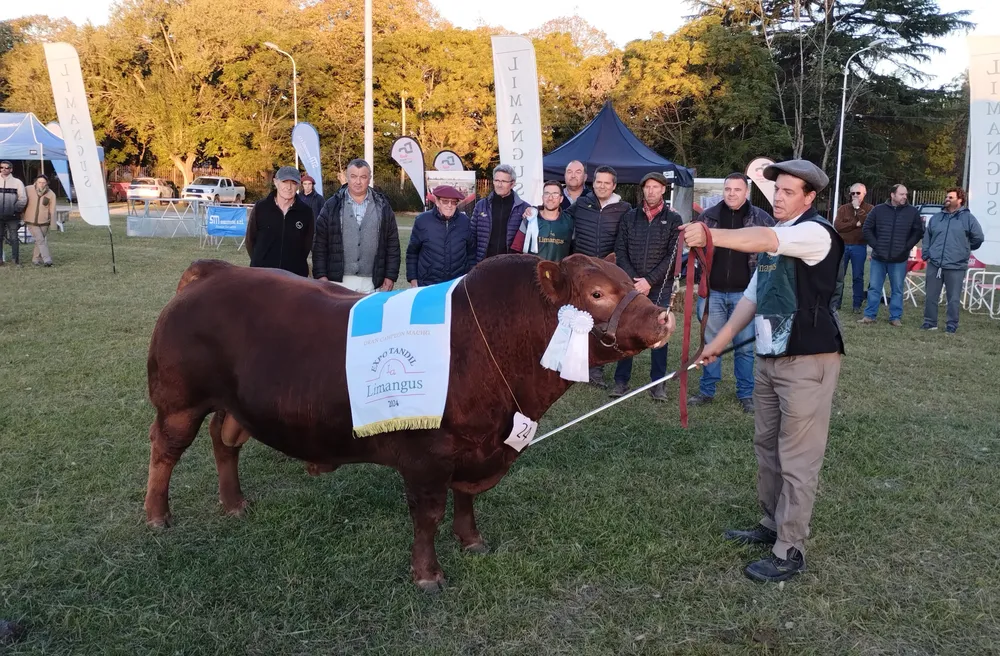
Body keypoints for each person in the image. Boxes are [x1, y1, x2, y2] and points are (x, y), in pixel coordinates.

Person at [681, 159, 844, 584]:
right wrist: (718, 342)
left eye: (790, 192)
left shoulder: (813, 233)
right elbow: (753, 298)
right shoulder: (781, 240)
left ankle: (790, 549)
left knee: (798, 457)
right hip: (771, 358)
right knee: (766, 446)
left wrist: (712, 234)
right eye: (777, 190)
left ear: (809, 198)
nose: (780, 197)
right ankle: (771, 524)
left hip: (808, 359)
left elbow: (761, 237)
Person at [689, 173, 775, 413]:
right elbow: (695, 252)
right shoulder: (708, 218)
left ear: (746, 192)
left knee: (745, 348)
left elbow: (775, 249)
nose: (732, 194)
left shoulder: (761, 218)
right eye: (728, 189)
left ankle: (746, 394)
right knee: (710, 342)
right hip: (713, 292)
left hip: (745, 295)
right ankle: (707, 390)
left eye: (737, 190)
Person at [609, 172, 682, 401]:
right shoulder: (630, 217)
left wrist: (649, 281)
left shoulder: (673, 220)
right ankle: (621, 381)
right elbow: (620, 250)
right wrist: (634, 280)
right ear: (643, 190)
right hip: (631, 285)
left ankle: (658, 384)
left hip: (660, 286)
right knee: (627, 330)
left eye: (655, 187)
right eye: (647, 187)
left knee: (660, 334)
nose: (651, 191)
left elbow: (673, 256)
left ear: (663, 190)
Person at [567, 165, 632, 388]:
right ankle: (574, 365)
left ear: (614, 185)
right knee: (577, 317)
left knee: (601, 320)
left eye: (607, 183)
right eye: (598, 182)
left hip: (606, 273)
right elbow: (559, 217)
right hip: (582, 271)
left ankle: (595, 368)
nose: (602, 186)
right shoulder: (582, 204)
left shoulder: (624, 208)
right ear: (592, 183)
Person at [313, 158, 401, 293]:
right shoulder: (331, 205)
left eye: (363, 177)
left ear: (369, 178)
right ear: (347, 177)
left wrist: (390, 275)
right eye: (353, 176)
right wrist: (321, 275)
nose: (358, 182)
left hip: (372, 281)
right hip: (338, 281)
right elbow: (320, 243)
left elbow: (392, 243)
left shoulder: (382, 206)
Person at [921, 187, 984, 334]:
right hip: (935, 264)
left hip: (956, 266)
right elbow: (927, 237)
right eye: (947, 197)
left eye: (951, 197)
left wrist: (964, 250)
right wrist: (927, 254)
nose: (947, 199)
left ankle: (951, 324)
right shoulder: (937, 218)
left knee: (953, 298)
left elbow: (978, 237)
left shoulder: (968, 218)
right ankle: (930, 322)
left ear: (960, 200)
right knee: (931, 295)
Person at [859, 184, 923, 326]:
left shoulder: (912, 212)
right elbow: (867, 228)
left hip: (899, 259)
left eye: (906, 194)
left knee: (897, 289)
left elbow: (918, 231)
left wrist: (906, 247)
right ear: (892, 195)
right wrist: (876, 245)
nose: (904, 197)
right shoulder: (878, 210)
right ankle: (869, 316)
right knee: (874, 288)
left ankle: (895, 317)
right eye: (901, 194)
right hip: (878, 258)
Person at [246, 166, 314, 277]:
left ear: (298, 185)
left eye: (293, 182)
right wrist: (259, 262)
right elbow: (250, 241)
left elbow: (306, 245)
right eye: (284, 182)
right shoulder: (261, 207)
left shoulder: (306, 212)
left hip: (294, 277)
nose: (289, 187)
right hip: (262, 275)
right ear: (275, 182)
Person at [406, 185, 475, 287]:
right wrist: (413, 279)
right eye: (445, 201)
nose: (449, 205)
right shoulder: (422, 221)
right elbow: (412, 253)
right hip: (428, 284)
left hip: (456, 285)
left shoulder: (465, 221)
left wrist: (470, 278)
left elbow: (471, 254)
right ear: (437, 202)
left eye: (453, 202)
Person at [469, 164, 530, 263]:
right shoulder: (481, 205)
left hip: (510, 265)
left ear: (512, 183)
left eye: (503, 181)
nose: (499, 184)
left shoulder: (524, 208)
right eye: (496, 180)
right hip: (483, 264)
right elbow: (472, 237)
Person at [832, 183, 874, 313]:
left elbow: (868, 222)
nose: (855, 195)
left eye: (858, 193)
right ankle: (836, 303)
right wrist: (855, 224)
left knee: (858, 276)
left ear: (864, 193)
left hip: (859, 246)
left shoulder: (870, 208)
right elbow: (838, 226)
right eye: (852, 193)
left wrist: (857, 209)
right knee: (839, 276)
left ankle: (857, 305)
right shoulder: (843, 208)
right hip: (843, 245)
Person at [511, 180, 575, 262]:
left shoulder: (569, 222)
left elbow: (574, 252)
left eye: (555, 194)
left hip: (558, 272)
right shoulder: (530, 218)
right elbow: (516, 249)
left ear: (561, 198)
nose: (550, 198)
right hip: (533, 272)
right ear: (542, 197)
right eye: (547, 193)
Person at [23, 173, 57, 267]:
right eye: (39, 182)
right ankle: (47, 260)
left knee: (39, 241)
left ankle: (35, 260)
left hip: (44, 222)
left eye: (44, 182)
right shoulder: (28, 189)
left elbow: (52, 209)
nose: (41, 184)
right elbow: (22, 201)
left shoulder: (51, 194)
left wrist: (53, 224)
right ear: (36, 182)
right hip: (31, 220)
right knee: (41, 240)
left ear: (47, 183)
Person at [0, 160, 27, 266]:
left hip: (13, 216)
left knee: (14, 238)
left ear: (11, 169)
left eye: (6, 168)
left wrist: (15, 210)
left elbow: (23, 198)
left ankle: (15, 260)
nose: (3, 169)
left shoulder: (17, 182)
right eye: (1, 167)